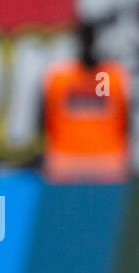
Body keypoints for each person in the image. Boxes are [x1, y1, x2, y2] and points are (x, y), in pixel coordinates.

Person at [41, 22, 130, 183]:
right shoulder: (60, 78)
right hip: (69, 161)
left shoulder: (113, 76)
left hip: (103, 161)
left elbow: (126, 121)